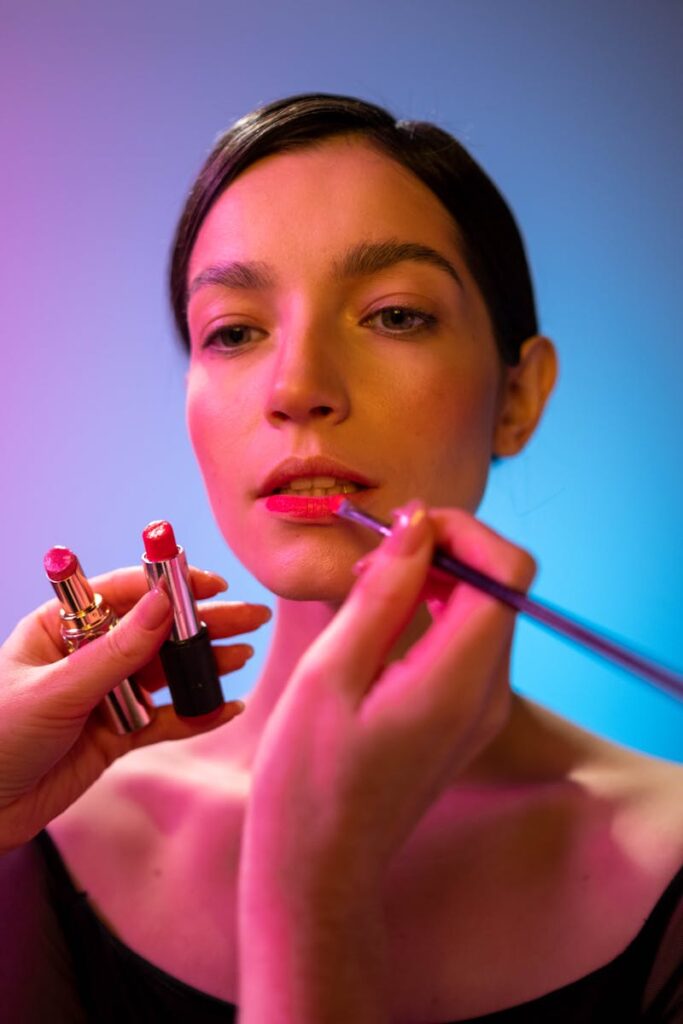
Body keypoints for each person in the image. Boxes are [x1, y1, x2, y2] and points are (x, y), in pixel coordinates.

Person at [0, 93, 681, 1023]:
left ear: (517, 396)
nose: (298, 388)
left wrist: (310, 894)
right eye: (234, 331)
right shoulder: (39, 827)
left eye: (394, 314)